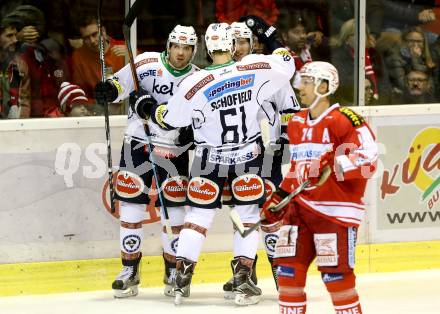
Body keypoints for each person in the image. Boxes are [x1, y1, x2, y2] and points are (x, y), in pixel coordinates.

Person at [143, 17, 295, 305]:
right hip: (247, 157)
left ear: (207, 49)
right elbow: (286, 64)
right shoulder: (255, 68)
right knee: (247, 218)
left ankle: (181, 280)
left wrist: (148, 107)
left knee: (197, 218)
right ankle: (242, 283)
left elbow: (171, 120)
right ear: (231, 44)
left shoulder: (193, 81)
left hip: (207, 160)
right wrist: (273, 39)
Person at [261, 61, 378, 313]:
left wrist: (334, 163)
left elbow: (369, 158)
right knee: (287, 274)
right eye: (300, 82)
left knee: (336, 278)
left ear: (324, 86)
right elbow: (296, 169)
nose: (300, 88)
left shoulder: (346, 120)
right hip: (299, 211)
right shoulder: (296, 122)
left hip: (334, 214)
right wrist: (278, 199)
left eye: (306, 82)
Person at [94, 25, 199, 298]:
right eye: (177, 46)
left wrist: (192, 132)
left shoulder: (198, 78)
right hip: (137, 144)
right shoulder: (145, 62)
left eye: (187, 48)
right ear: (168, 45)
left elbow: (199, 119)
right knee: (131, 209)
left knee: (175, 214)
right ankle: (130, 269)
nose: (181, 53)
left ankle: (173, 270)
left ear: (194, 50)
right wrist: (108, 89)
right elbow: (119, 85)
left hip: (174, 152)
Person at [220, 21, 300, 298]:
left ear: (253, 44)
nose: (239, 47)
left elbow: (290, 109)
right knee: (241, 215)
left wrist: (285, 145)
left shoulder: (268, 70)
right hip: (231, 155)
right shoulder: (220, 74)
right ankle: (245, 272)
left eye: (244, 41)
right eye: (234, 42)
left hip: (267, 153)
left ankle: (280, 272)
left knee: (269, 213)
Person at [72, 15, 127, 108]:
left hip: (124, 106)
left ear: (103, 31)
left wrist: (132, 56)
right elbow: (78, 92)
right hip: (95, 107)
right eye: (86, 38)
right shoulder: (78, 56)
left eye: (94, 34)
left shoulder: (125, 48)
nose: (92, 41)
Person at [0, 12, 31, 119]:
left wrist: (20, 127)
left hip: (14, 126)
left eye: (15, 35)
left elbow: (24, 101)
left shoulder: (20, 65)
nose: (15, 40)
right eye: (9, 36)